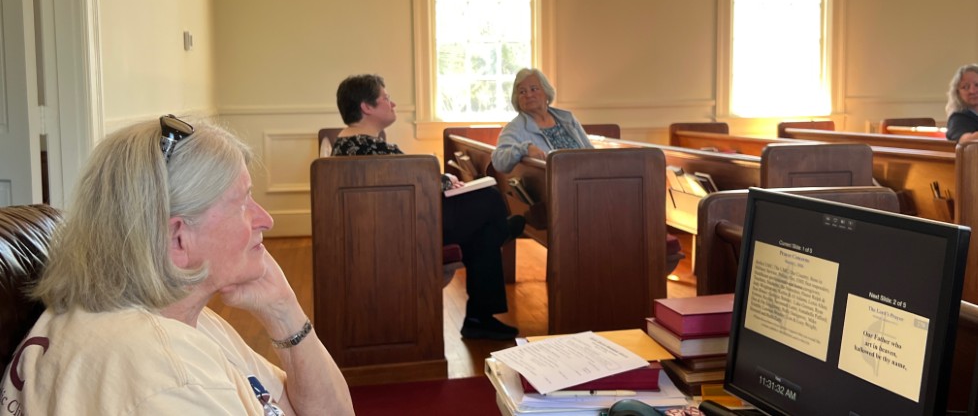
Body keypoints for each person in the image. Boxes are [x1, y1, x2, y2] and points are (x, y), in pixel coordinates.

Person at [1, 116, 354, 415]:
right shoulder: (168, 376)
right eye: (243, 203)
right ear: (177, 239)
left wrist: (283, 310)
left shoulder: (174, 315)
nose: (266, 219)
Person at [332, 74, 521, 341]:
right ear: (367, 107)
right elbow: (412, 179)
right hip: (403, 230)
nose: (392, 103)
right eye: (386, 98)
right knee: (489, 200)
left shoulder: (354, 143)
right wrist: (443, 180)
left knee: (483, 233)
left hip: (396, 220)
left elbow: (404, 178)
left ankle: (480, 317)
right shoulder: (363, 147)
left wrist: (442, 180)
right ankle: (501, 235)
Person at [492, 68, 593, 173]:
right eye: (522, 92)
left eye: (534, 89)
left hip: (585, 176)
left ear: (546, 92)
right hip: (553, 181)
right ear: (517, 98)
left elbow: (590, 150)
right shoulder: (515, 128)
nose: (528, 95)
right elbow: (498, 161)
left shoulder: (567, 118)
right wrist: (525, 149)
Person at [945, 63, 978, 142]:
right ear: (958, 93)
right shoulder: (958, 118)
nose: (972, 91)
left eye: (977, 85)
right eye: (965, 87)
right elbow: (965, 141)